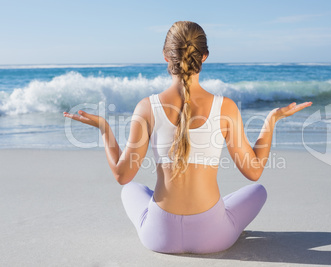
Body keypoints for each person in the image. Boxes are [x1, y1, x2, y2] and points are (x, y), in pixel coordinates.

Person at [63, 21, 312, 254]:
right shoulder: (225, 108)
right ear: (203, 57)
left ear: (165, 56)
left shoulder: (146, 107)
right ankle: (218, 213)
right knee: (258, 190)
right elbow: (254, 171)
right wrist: (271, 120)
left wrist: (105, 128)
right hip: (213, 237)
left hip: (159, 237)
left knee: (131, 188)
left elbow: (122, 175)